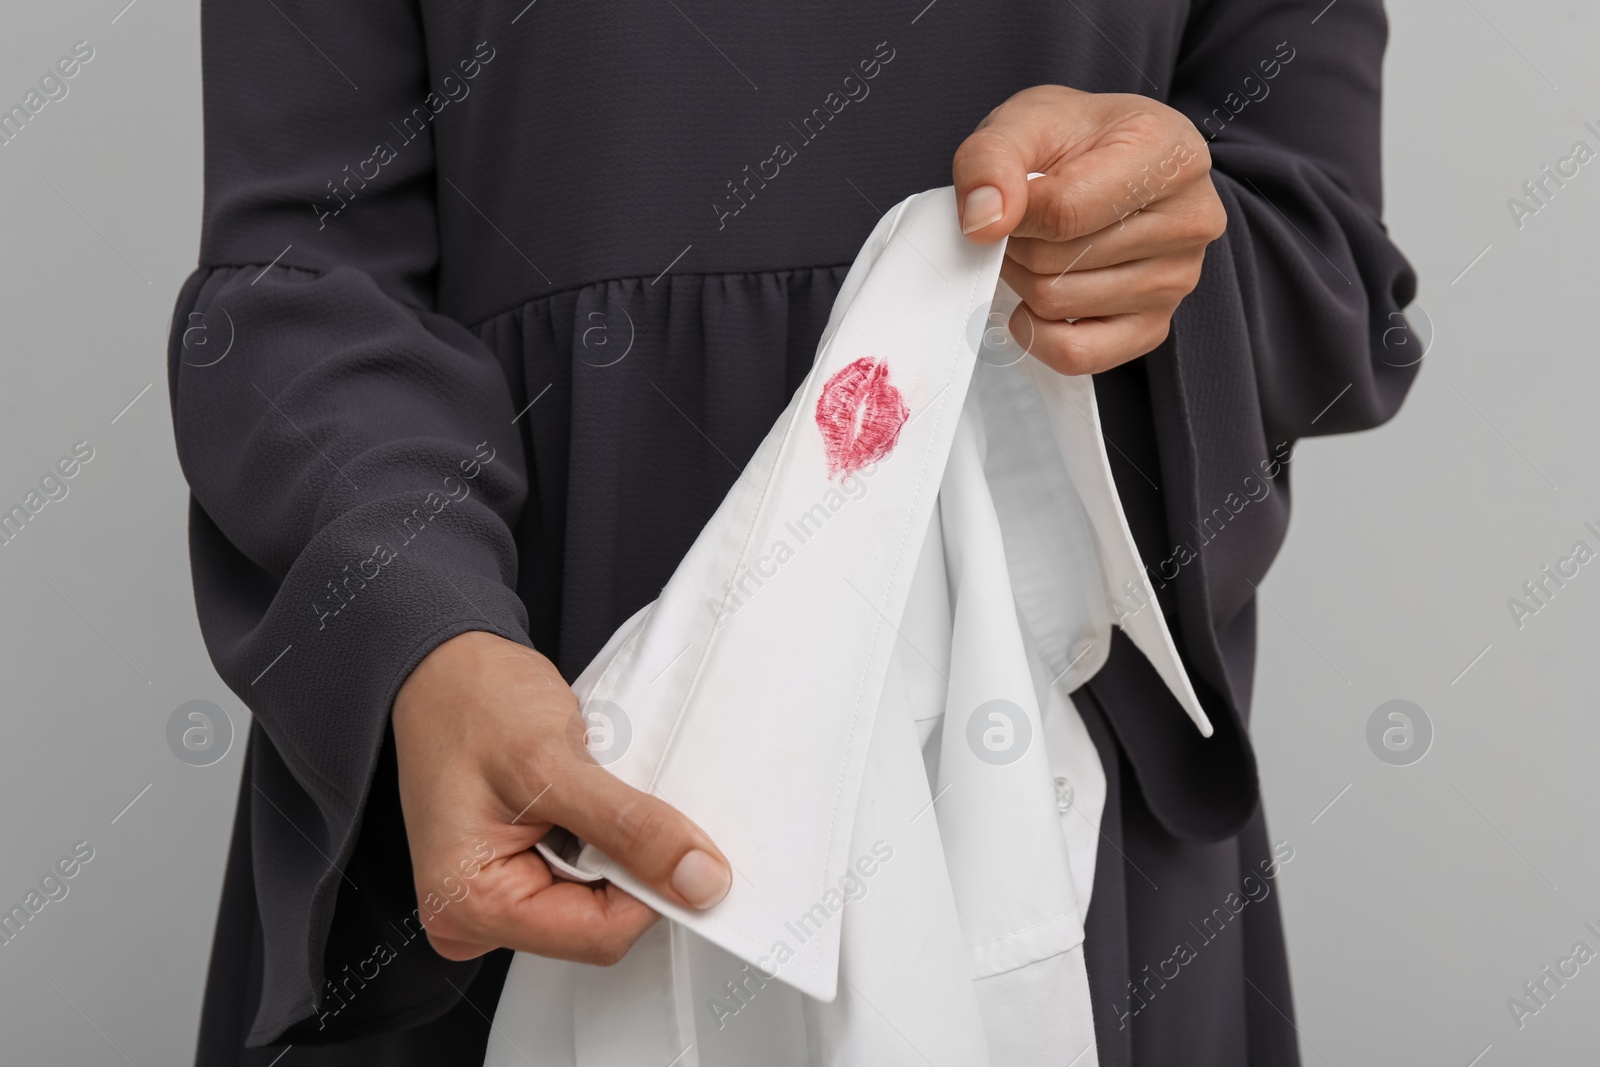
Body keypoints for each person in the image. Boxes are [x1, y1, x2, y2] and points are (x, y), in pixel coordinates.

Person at [169, 2, 1417, 1064]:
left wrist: (1161, 238)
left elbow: (1328, 263)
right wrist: (422, 628)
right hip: (504, 755)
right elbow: (301, 273)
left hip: (1046, 779)